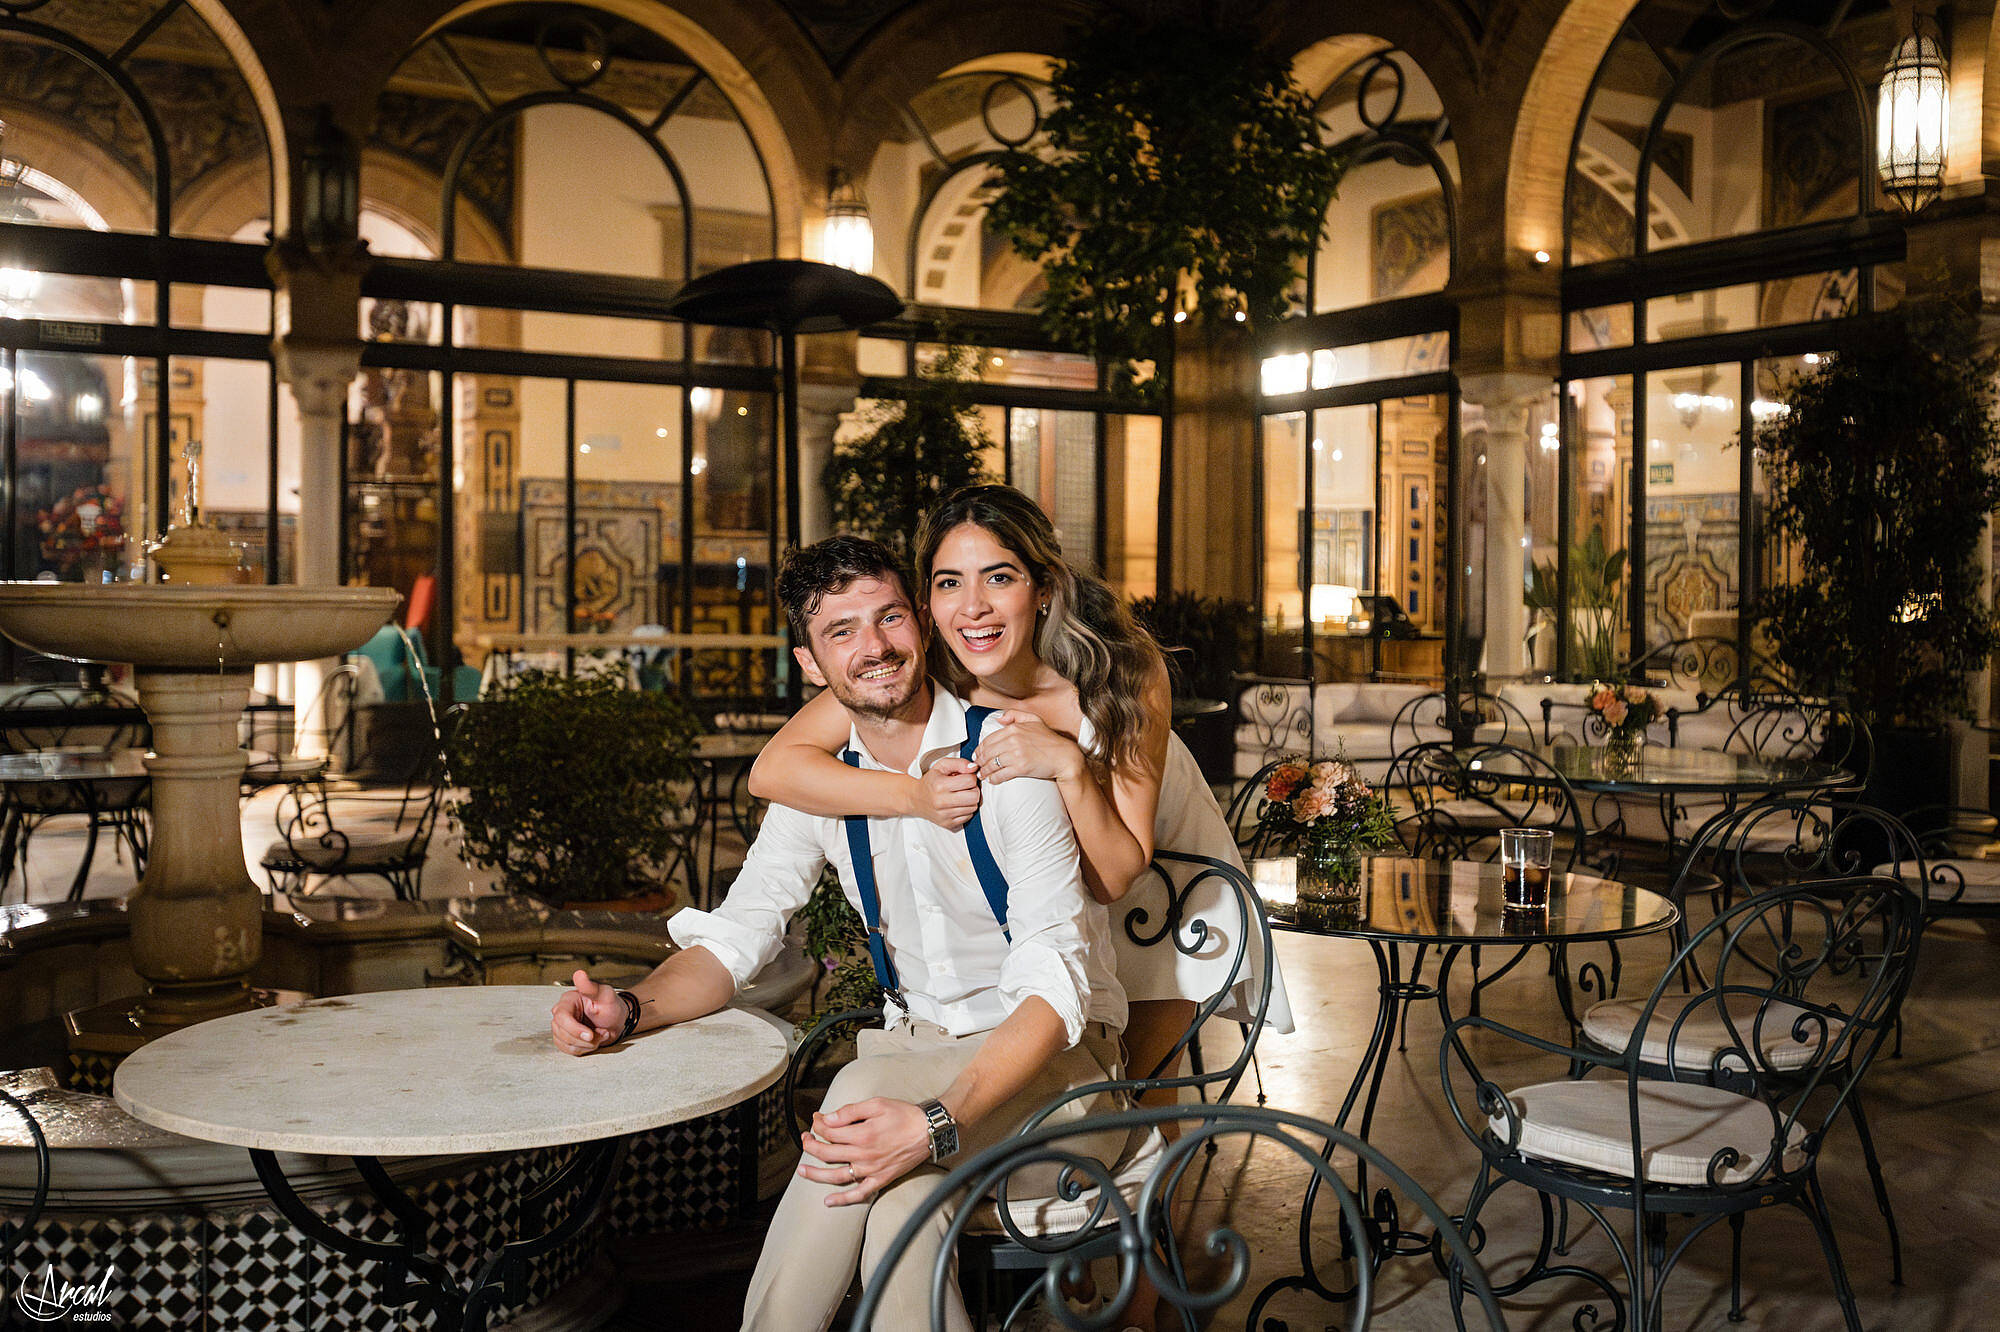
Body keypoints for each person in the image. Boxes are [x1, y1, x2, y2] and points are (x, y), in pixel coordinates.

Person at [551, 534, 1128, 1332]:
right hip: (914, 1058)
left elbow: (1055, 988)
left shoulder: (1009, 759)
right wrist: (630, 1006)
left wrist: (931, 1119)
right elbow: (734, 942)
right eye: (843, 632)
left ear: (920, 628)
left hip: (1058, 1078)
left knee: (854, 1097)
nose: (876, 648)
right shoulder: (817, 790)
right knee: (898, 1211)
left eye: (889, 618)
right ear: (811, 665)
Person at [750, 485, 1292, 1109]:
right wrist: (917, 797)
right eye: (949, 582)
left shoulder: (1121, 673)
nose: (972, 608)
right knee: (1041, 1067)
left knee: (1143, 1101)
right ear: (926, 603)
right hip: (1047, 890)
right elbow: (773, 772)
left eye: (998, 577)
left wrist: (1067, 763)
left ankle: (1136, 1200)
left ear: (1042, 588)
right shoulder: (930, 668)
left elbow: (1118, 874)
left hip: (1157, 885)